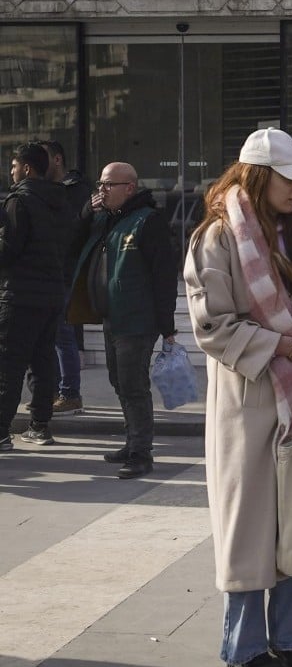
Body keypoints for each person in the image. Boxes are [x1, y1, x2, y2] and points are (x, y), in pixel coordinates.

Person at [185, 127, 292, 667]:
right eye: (290, 178)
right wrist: (289, 344)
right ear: (258, 175)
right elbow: (213, 326)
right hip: (249, 403)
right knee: (249, 529)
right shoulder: (217, 238)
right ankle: (246, 648)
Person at [67, 162, 177, 479]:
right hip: (111, 316)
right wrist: (87, 212)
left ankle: (141, 452)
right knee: (119, 382)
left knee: (133, 386)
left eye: (107, 185)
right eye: (99, 185)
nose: (101, 191)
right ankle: (132, 443)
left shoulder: (148, 221)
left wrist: (167, 326)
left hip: (138, 320)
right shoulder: (105, 219)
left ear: (129, 187)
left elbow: (164, 276)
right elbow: (71, 246)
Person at [0, 142, 70, 450]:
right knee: (43, 362)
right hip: (52, 293)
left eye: (13, 166)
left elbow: (9, 249)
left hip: (20, 294)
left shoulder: (20, 200)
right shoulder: (60, 200)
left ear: (27, 168)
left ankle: (2, 431)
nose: (11, 172)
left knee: (8, 364)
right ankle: (40, 426)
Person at [39, 140, 92, 415]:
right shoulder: (51, 190)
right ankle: (55, 391)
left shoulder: (74, 191)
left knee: (62, 333)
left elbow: (74, 232)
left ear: (57, 159)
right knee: (53, 333)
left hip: (66, 271)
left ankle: (70, 392)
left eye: (43, 158)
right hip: (52, 271)